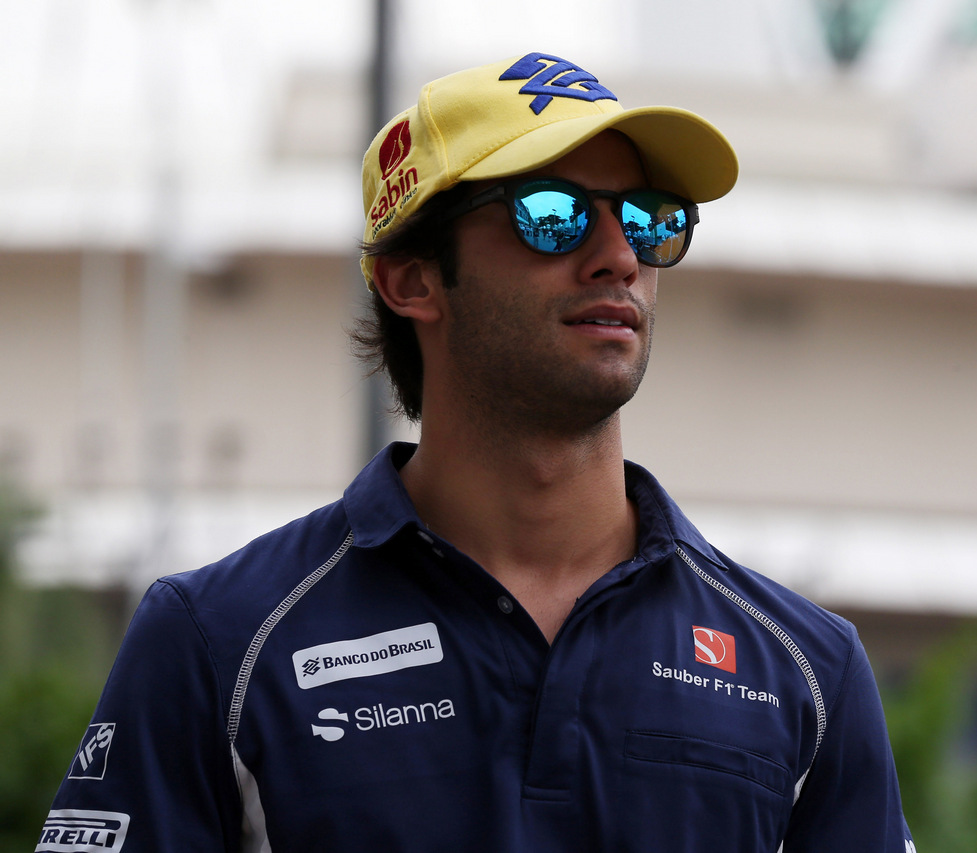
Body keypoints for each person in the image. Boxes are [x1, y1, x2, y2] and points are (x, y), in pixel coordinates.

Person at [40, 53, 915, 852]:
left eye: (651, 220)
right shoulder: (216, 642)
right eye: (552, 215)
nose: (617, 255)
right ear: (411, 278)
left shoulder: (807, 668)